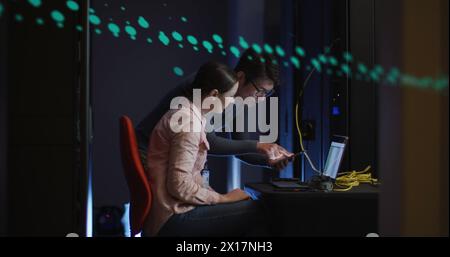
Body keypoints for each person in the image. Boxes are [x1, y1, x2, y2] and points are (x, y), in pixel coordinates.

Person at [144, 62, 268, 237]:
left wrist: (220, 198)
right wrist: (223, 199)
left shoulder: (189, 113)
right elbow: (179, 186)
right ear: (214, 95)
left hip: (174, 210)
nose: (232, 102)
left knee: (246, 205)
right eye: (231, 97)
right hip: (173, 217)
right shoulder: (189, 123)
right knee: (260, 211)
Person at [136, 49, 293, 172]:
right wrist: (259, 145)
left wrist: (270, 160)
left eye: (267, 94)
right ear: (241, 77)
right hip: (147, 152)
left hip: (167, 157)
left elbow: (241, 149)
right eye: (260, 91)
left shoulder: (243, 101)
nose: (261, 98)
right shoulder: (209, 86)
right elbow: (206, 141)